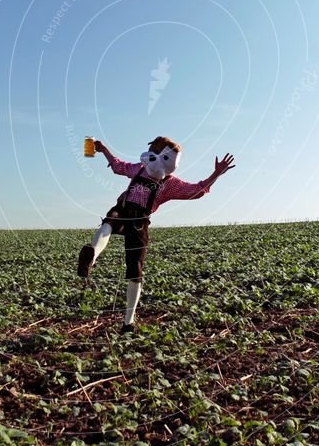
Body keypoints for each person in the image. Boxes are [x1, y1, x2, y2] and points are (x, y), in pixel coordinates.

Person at [77, 136, 235, 333]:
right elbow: (118, 166)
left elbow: (196, 190)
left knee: (134, 269)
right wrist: (104, 150)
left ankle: (128, 322)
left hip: (140, 221)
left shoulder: (170, 183)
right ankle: (91, 256)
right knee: (110, 222)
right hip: (125, 210)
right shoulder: (139, 168)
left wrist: (216, 173)